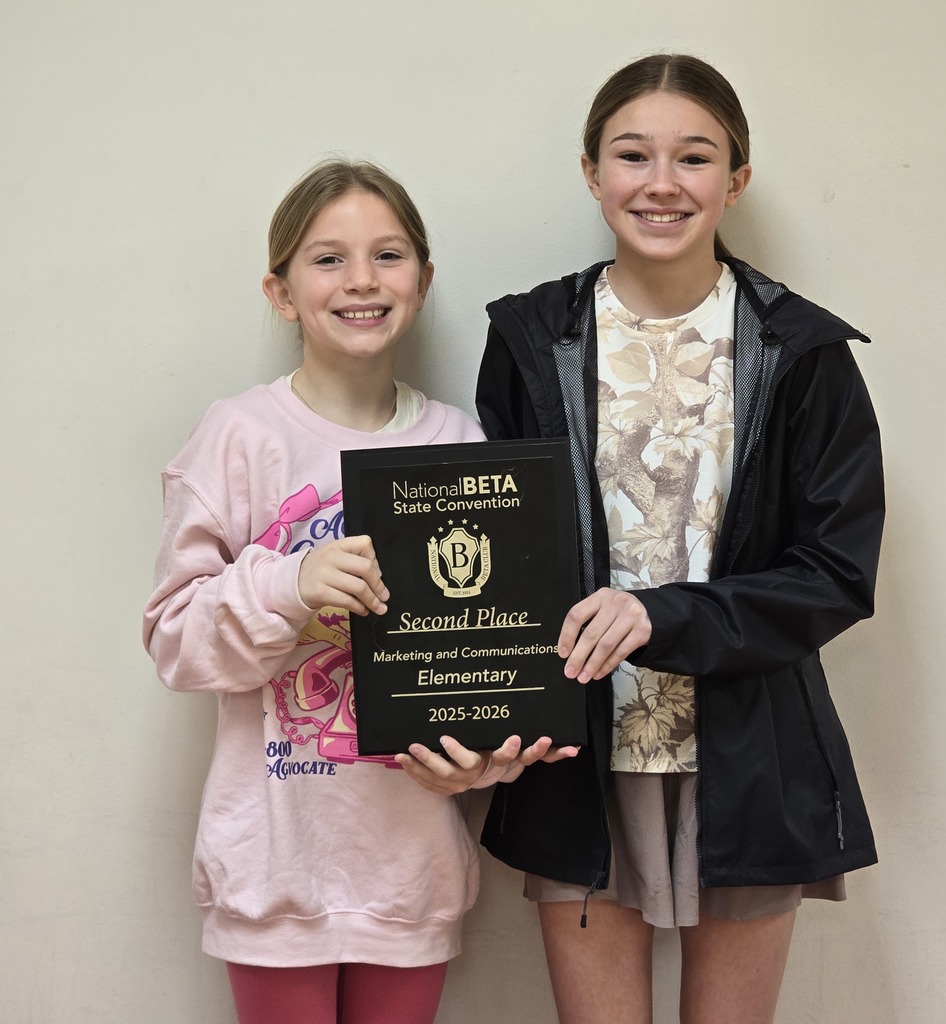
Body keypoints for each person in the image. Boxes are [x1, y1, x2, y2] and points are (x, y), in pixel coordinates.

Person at [472, 54, 885, 1024]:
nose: (661, 183)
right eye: (632, 154)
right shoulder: (528, 337)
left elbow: (833, 574)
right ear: (591, 172)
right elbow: (494, 551)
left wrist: (655, 615)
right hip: (575, 761)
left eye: (693, 157)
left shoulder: (804, 352)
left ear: (735, 179)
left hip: (749, 757)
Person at [142, 158, 572, 1024]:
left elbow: (492, 651)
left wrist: (490, 754)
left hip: (408, 869)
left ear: (424, 279)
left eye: (389, 254)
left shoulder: (464, 442)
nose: (363, 280)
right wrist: (287, 582)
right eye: (328, 258)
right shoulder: (239, 438)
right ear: (282, 291)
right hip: (273, 862)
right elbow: (174, 644)